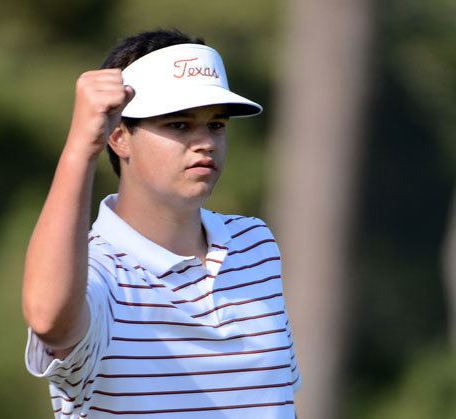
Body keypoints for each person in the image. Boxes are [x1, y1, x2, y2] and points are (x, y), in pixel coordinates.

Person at [22, 29, 301, 418]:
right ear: (118, 137)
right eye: (179, 125)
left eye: (216, 125)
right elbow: (48, 319)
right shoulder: (100, 271)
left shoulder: (254, 244)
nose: (205, 141)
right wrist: (81, 147)